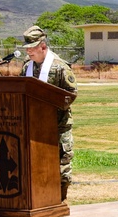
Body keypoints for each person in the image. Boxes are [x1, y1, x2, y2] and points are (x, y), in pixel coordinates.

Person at [20, 25, 78, 202]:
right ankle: (38, 199)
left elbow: (71, 94)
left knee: (61, 166)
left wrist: (49, 105)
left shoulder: (60, 67)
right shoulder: (26, 67)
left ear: (43, 46)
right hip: (34, 125)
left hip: (58, 125)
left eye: (32, 47)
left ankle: (60, 200)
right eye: (27, 48)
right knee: (35, 164)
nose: (29, 51)